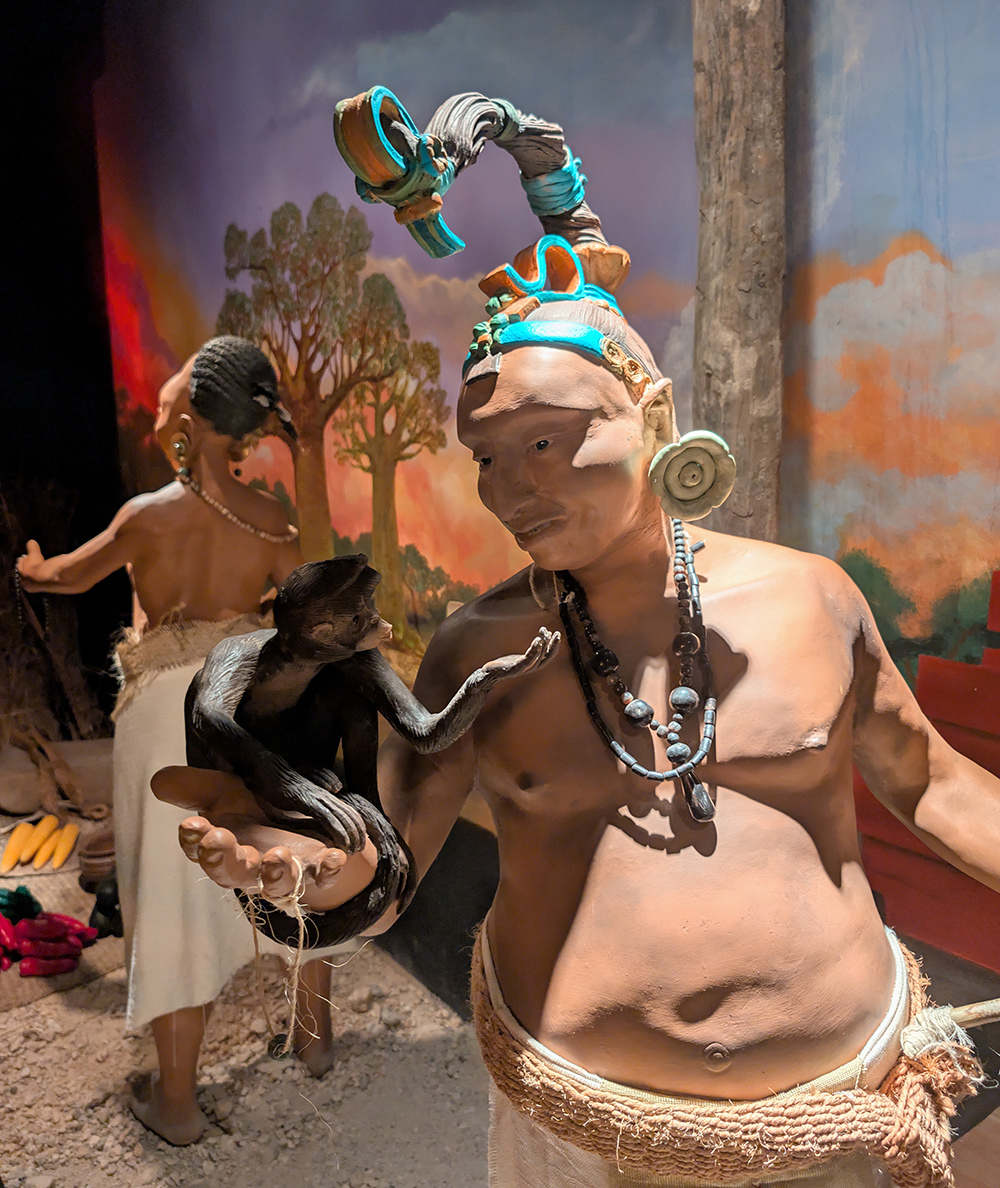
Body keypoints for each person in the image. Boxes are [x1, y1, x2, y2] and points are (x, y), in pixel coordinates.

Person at [157, 96, 1000, 1185]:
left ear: (652, 411)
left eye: (549, 442)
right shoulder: (475, 652)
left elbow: (933, 783)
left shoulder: (810, 600)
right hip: (572, 1134)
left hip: (835, 1124)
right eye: (487, 456)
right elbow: (384, 865)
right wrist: (300, 871)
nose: (513, 488)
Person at [17, 336, 339, 1145]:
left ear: (190, 422)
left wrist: (32, 564)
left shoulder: (146, 516)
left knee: (169, 893)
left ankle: (178, 1102)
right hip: (247, 698)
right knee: (282, 859)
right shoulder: (270, 520)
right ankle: (314, 1038)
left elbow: (64, 577)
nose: (156, 412)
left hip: (167, 710)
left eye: (164, 401)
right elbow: (310, 606)